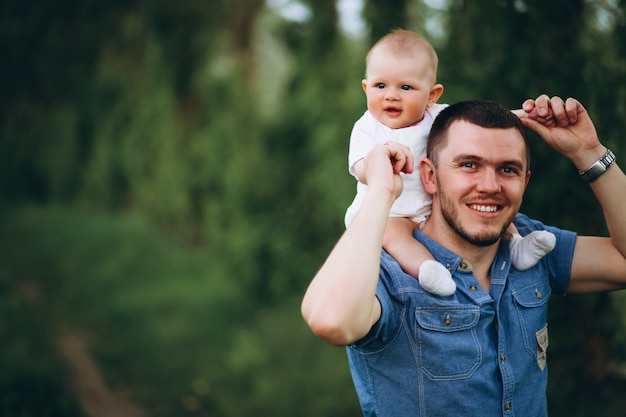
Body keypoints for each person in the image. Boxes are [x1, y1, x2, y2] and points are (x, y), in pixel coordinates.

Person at [302, 95, 626, 416]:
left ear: (525, 182)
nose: (489, 185)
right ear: (429, 176)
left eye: (508, 169)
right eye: (469, 165)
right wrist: (380, 192)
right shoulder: (386, 269)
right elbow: (332, 321)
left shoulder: (529, 243)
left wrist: (589, 153)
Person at [345, 29, 555, 296]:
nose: (391, 96)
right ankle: (426, 269)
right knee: (395, 236)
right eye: (380, 86)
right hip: (394, 212)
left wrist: (523, 117)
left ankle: (517, 246)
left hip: (434, 206)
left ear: (432, 95)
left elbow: (479, 125)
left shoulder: (437, 115)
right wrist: (381, 161)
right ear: (366, 87)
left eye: (406, 87)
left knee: (493, 207)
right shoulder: (368, 128)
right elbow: (361, 169)